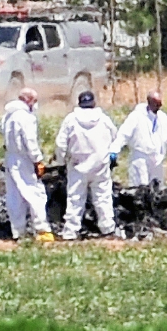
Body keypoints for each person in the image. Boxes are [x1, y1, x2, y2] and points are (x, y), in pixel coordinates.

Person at [55, 90, 120, 240]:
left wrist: (60, 161)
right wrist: (112, 156)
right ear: (94, 103)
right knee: (103, 197)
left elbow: (60, 143)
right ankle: (107, 228)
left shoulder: (71, 120)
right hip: (100, 165)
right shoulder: (103, 119)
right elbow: (115, 137)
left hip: (78, 165)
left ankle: (70, 231)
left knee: (75, 198)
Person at [0, 88, 55, 242]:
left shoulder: (8, 116)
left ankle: (18, 231)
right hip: (23, 159)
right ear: (29, 100)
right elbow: (30, 141)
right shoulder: (26, 118)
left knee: (14, 196)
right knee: (35, 193)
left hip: (10, 158)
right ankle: (42, 230)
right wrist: (38, 160)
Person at [108, 91, 167, 187]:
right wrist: (114, 150)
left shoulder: (161, 116)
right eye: (156, 104)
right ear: (150, 102)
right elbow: (124, 134)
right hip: (141, 158)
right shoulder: (136, 116)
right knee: (141, 190)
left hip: (157, 158)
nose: (159, 106)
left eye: (160, 104)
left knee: (158, 190)